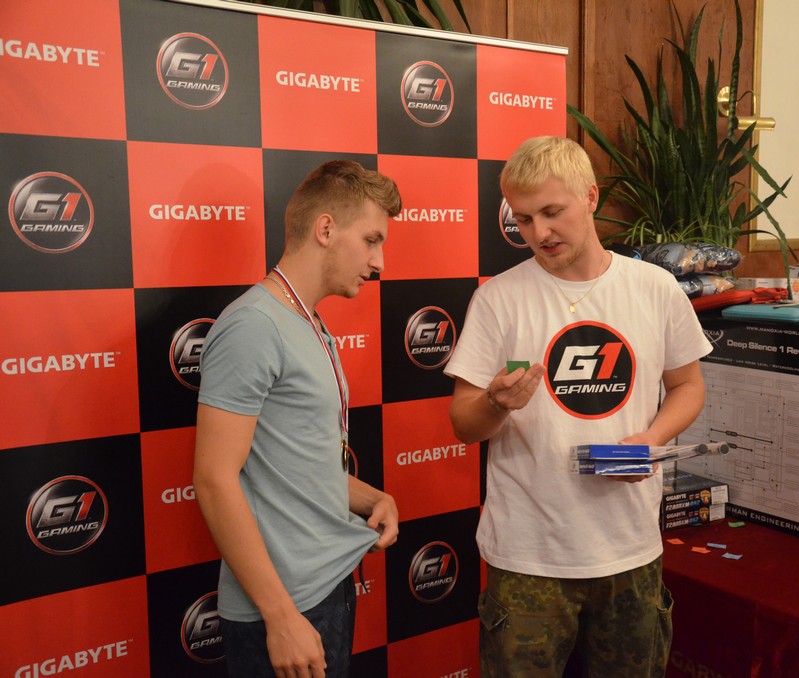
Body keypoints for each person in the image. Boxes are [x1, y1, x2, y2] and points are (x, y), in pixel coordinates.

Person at [444, 136, 712, 677]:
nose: (538, 233)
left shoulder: (656, 288)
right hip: (527, 556)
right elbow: (463, 424)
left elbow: (688, 386)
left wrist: (651, 440)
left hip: (630, 547)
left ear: (590, 197)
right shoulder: (498, 298)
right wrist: (496, 402)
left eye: (552, 212)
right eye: (523, 219)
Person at [193, 160, 401, 678]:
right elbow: (214, 480)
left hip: (324, 586)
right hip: (285, 607)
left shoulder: (305, 321)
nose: (378, 262)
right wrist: (281, 616)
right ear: (325, 229)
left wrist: (371, 498)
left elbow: (292, 463)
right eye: (371, 240)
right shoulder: (253, 326)